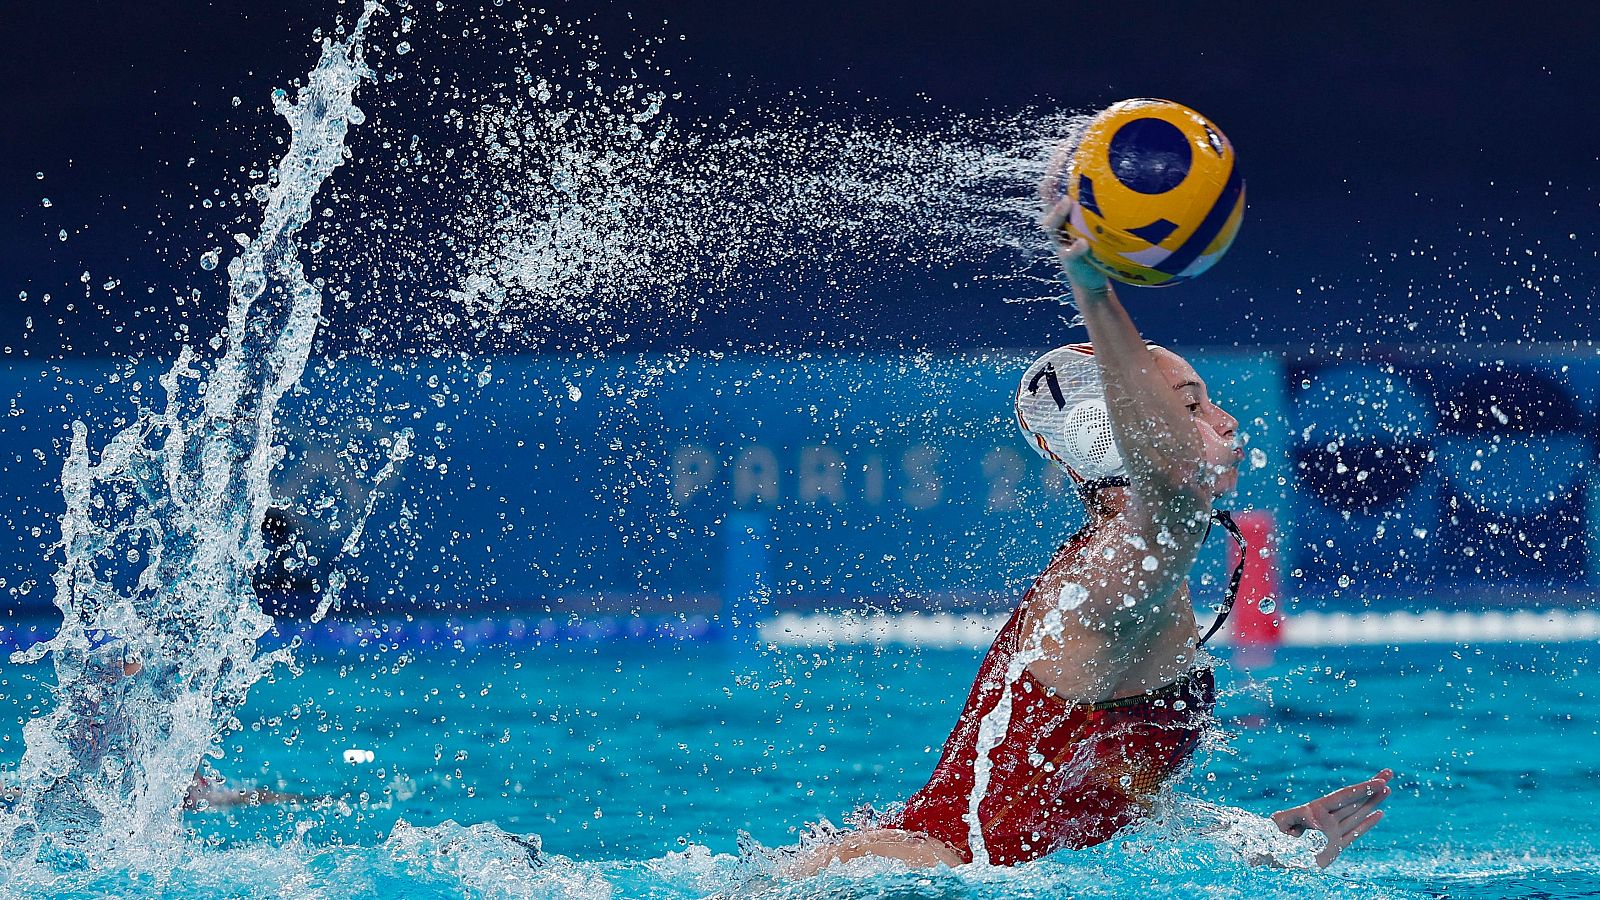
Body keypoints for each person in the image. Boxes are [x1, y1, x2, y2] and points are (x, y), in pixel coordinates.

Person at [785, 186, 1392, 874]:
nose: (1225, 421)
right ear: (1127, 440)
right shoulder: (1119, 569)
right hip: (902, 876)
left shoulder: (1132, 569)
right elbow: (1173, 474)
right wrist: (1094, 291)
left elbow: (1083, 803)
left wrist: (1257, 842)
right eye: (1189, 405)